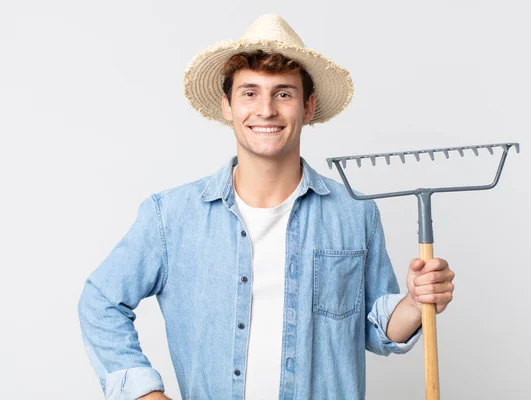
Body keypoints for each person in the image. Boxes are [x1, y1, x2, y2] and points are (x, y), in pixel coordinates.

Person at [78, 14, 455, 400]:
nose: (266, 110)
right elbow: (100, 301)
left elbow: (376, 330)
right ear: (227, 105)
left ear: (308, 107)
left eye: (284, 93)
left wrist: (414, 302)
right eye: (249, 92)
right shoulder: (171, 216)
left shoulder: (354, 213)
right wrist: (144, 394)